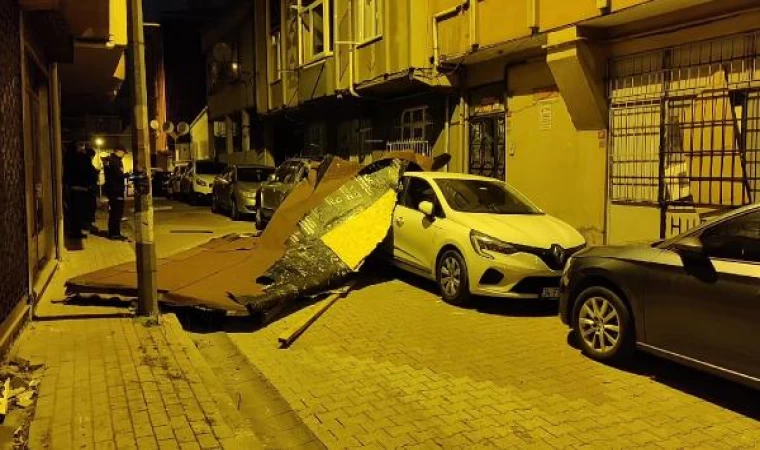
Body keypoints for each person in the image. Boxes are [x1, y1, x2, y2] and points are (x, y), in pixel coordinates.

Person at [63, 142, 91, 239]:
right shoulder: (80, 159)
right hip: (80, 188)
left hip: (73, 187)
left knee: (75, 212)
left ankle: (75, 231)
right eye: (80, 146)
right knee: (78, 212)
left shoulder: (69, 158)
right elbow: (87, 169)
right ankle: (76, 232)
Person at [103, 149, 128, 240]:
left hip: (113, 189)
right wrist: (127, 174)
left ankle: (114, 232)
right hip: (116, 190)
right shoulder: (114, 161)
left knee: (115, 212)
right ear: (118, 151)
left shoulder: (111, 160)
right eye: (123, 153)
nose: (124, 155)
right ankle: (114, 234)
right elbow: (118, 175)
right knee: (116, 212)